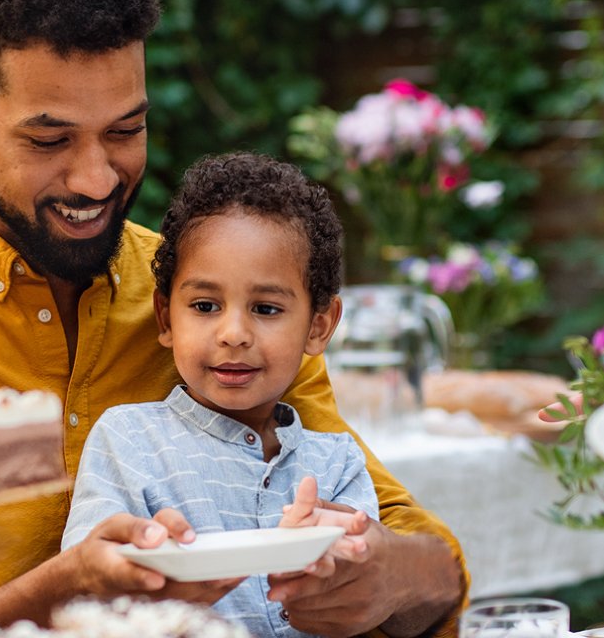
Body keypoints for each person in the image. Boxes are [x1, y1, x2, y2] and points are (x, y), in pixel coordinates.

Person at [0, 0, 467, 636]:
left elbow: (408, 544)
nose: (96, 179)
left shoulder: (212, 292)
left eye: (124, 130)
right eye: (49, 140)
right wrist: (58, 595)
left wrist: (387, 575)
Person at [62, 153, 376, 637]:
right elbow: (84, 597)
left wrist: (331, 569)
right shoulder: (129, 441)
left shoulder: (337, 466)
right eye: (205, 306)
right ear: (166, 317)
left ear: (319, 327)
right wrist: (140, 574)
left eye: (266, 308)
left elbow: (364, 599)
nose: (233, 334)